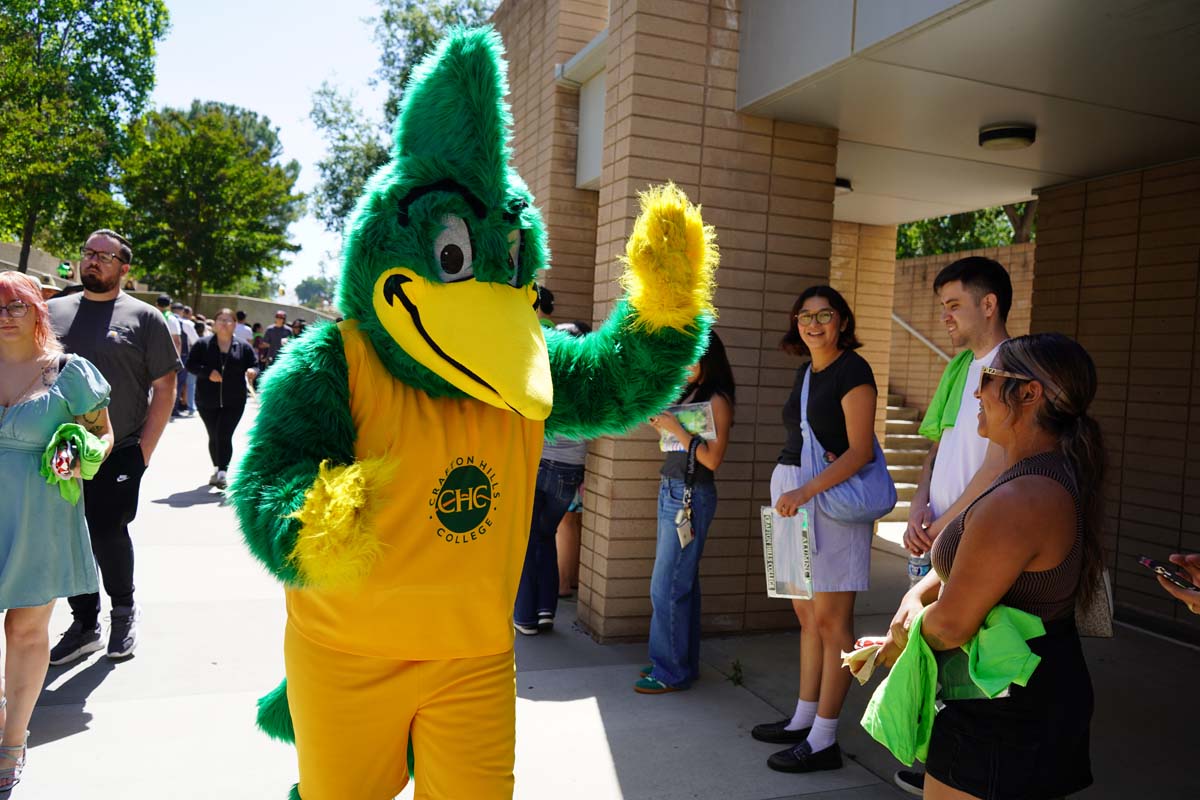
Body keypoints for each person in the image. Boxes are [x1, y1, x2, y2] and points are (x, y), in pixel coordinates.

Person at [878, 333, 1103, 800]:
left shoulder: (1022, 497)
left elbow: (952, 627)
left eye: (987, 379)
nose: (976, 392)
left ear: (1029, 393)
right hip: (1019, 696)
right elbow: (965, 566)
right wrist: (916, 596)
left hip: (1005, 709)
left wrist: (906, 637)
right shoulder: (1029, 474)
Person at [895, 256, 1012, 797]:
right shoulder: (956, 367)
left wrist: (944, 524)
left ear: (989, 305)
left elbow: (998, 465)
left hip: (971, 539)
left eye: (953, 305)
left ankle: (954, 774)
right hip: (937, 534)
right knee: (927, 659)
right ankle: (933, 766)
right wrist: (919, 508)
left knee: (966, 660)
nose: (944, 316)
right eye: (941, 306)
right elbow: (937, 448)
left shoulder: (1014, 368)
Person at [753, 285, 879, 773]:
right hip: (791, 495)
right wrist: (793, 491)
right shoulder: (806, 372)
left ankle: (824, 737)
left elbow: (860, 450)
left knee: (832, 623)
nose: (814, 323)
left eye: (825, 314)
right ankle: (803, 719)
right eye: (805, 315)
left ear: (842, 321)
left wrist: (805, 492)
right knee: (806, 618)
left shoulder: (854, 370)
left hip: (829, 500)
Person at [0, 272, 114, 793]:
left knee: (25, 631)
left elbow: (103, 435)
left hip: (40, 515)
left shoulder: (70, 373)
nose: (5, 315)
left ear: (38, 310)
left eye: (16, 306)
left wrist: (81, 453)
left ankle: (12, 741)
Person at [47, 229, 181, 664]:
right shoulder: (51, 312)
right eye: (88, 253)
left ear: (124, 267)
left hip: (118, 448)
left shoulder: (145, 319)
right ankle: (85, 622)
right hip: (55, 451)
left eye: (105, 256)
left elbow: (165, 388)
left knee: (107, 533)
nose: (93, 261)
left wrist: (144, 451)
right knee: (65, 537)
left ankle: (123, 611)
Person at [636, 331, 735, 694]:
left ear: (709, 358)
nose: (686, 365)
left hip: (691, 495)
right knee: (681, 584)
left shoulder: (718, 400)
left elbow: (713, 458)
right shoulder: (689, 394)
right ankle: (677, 661)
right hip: (673, 489)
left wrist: (675, 427)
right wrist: (663, 427)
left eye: (692, 357)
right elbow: (680, 447)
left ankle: (669, 671)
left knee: (667, 586)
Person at [513, 321, 592, 635]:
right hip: (570, 472)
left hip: (539, 464)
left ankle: (525, 616)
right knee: (545, 536)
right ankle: (546, 610)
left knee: (527, 540)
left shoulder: (544, 375)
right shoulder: (590, 382)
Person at [186, 308, 258, 489]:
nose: (224, 323)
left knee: (223, 434)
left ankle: (223, 473)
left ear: (235, 324)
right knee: (213, 435)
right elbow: (190, 365)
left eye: (228, 320)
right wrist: (207, 373)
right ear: (214, 324)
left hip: (234, 399)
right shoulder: (203, 344)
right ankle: (217, 467)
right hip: (206, 399)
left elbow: (255, 365)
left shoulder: (243, 346)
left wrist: (252, 372)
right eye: (220, 319)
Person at [174, 303, 200, 416]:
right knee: (179, 383)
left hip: (161, 355)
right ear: (182, 311)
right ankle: (174, 409)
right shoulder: (186, 324)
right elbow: (196, 341)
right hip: (182, 356)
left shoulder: (162, 318)